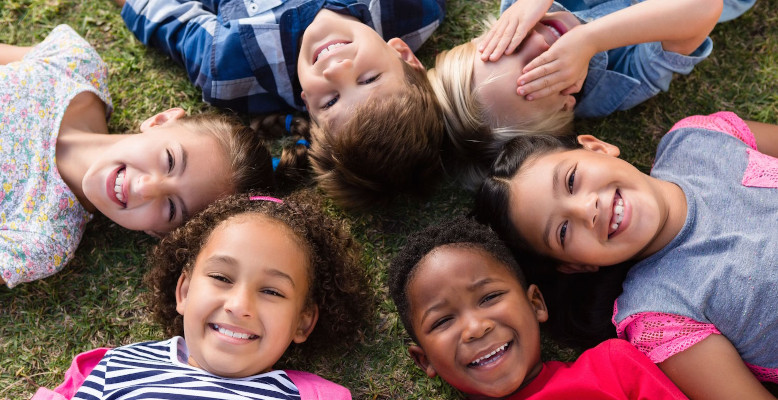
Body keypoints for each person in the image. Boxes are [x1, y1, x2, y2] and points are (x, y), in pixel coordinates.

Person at [474, 111, 778, 399]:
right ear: (577, 265)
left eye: (571, 181)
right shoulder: (660, 316)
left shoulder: (697, 138)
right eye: (563, 231)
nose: (586, 210)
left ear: (597, 148)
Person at [0, 25, 274, 288]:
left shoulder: (41, 241)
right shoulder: (73, 64)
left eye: (171, 208)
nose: (145, 187)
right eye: (170, 160)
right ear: (161, 120)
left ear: (158, 232)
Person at [33, 191, 373, 399]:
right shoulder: (116, 368)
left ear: (303, 322)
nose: (240, 306)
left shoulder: (309, 397)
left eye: (271, 290)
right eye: (222, 277)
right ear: (184, 291)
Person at [116, 0, 447, 209]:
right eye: (370, 79)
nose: (336, 69)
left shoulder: (229, 66)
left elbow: (155, 10)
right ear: (404, 55)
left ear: (307, 104)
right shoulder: (417, 8)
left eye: (331, 100)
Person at [428, 0, 723, 189]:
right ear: (564, 106)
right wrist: (590, 39)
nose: (539, 41)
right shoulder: (616, 86)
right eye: (539, 71)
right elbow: (703, 6)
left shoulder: (523, 7)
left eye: (511, 44)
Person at [387, 216, 687, 399]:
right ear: (425, 360)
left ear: (536, 304)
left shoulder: (614, 368)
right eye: (442, 321)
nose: (476, 328)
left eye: (489, 297)